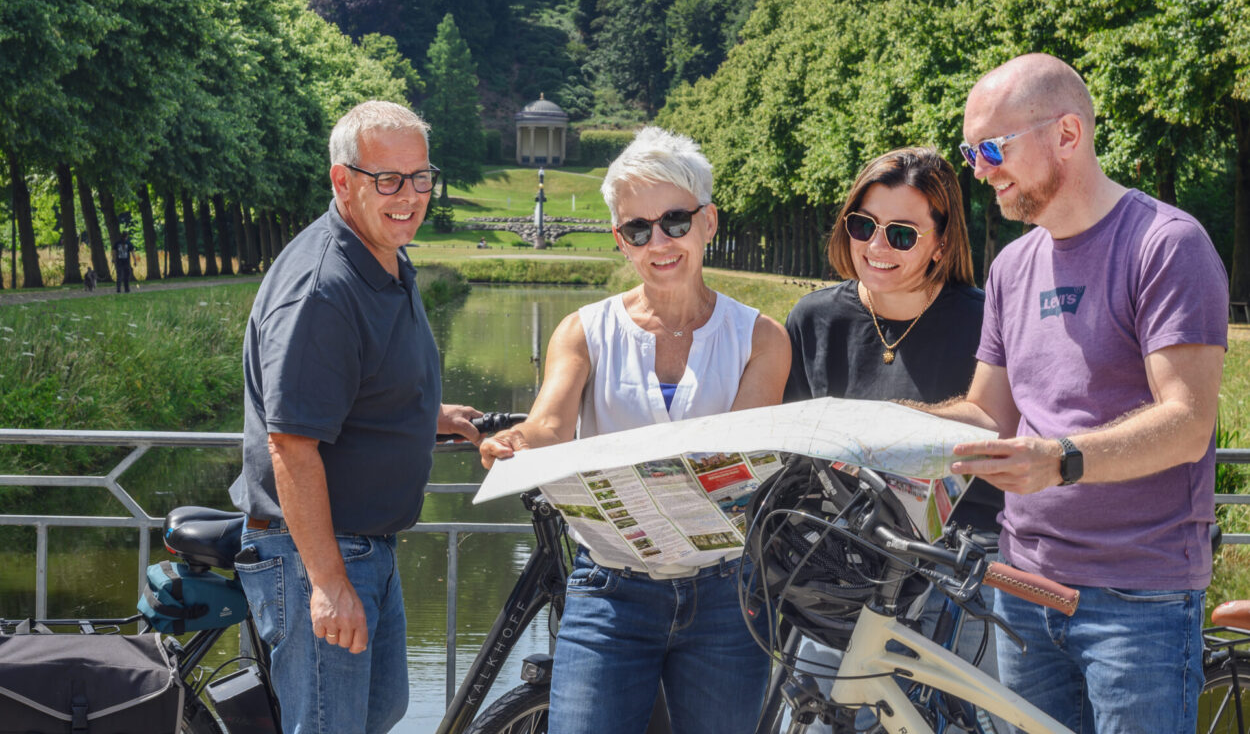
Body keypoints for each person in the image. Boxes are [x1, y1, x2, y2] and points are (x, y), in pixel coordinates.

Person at [939, 54, 1228, 734]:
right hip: (1023, 582)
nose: (979, 171)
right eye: (970, 153)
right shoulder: (1011, 265)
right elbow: (987, 412)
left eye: (991, 149)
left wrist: (1060, 460)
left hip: (1139, 598)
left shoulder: (1167, 244)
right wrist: (877, 426)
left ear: (1067, 133)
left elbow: (1188, 422)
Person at [481, 126, 791, 734]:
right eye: (638, 229)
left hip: (727, 596)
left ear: (708, 222)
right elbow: (549, 424)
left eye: (675, 221)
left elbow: (740, 464)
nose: (660, 243)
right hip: (611, 589)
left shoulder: (761, 337)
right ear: (620, 240)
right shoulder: (583, 330)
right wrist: (518, 442)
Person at [229, 100, 482, 734]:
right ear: (343, 181)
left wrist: (429, 414)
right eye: (388, 179)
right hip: (317, 551)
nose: (410, 195)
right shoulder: (323, 289)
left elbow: (356, 387)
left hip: (364, 544)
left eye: (420, 177)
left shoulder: (382, 254)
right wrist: (327, 583)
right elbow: (291, 445)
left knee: (377, 712)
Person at [784, 146, 1002, 731]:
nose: (877, 246)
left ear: (941, 242)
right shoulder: (813, 319)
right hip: (846, 563)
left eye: (902, 234)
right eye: (864, 225)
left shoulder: (986, 321)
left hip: (961, 564)